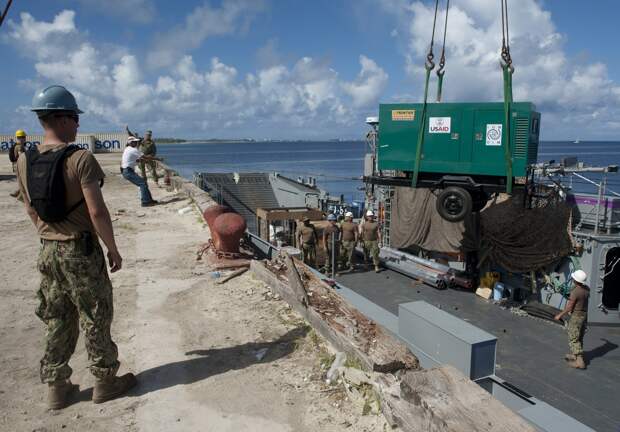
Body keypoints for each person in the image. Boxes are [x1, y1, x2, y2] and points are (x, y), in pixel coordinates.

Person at [16, 85, 136, 410]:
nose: (78, 125)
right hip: (80, 249)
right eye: (75, 118)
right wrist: (112, 248)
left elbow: (30, 208)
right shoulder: (80, 158)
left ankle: (57, 387)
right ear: (61, 118)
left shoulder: (24, 160)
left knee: (57, 316)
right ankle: (105, 381)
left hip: (48, 250)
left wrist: (47, 233)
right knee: (94, 313)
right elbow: (97, 211)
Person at [554, 270, 590, 369]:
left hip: (576, 317)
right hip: (584, 316)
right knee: (579, 336)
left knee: (573, 338)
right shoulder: (587, 289)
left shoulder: (575, 292)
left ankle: (580, 362)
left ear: (575, 280)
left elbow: (569, 307)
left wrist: (559, 315)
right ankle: (575, 355)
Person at [121, 136, 158, 207]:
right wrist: (158, 159)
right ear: (130, 143)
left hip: (126, 170)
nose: (136, 143)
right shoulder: (133, 150)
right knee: (142, 184)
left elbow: (137, 160)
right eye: (135, 142)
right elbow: (145, 157)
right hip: (128, 171)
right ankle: (145, 202)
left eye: (136, 141)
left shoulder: (127, 149)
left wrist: (142, 160)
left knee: (143, 183)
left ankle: (149, 200)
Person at [9, 129, 27, 198]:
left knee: (21, 181)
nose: (25, 139)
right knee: (23, 181)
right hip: (20, 166)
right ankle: (20, 194)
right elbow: (21, 156)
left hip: (16, 165)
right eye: (24, 137)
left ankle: (17, 193)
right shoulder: (19, 146)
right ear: (22, 138)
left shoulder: (16, 145)